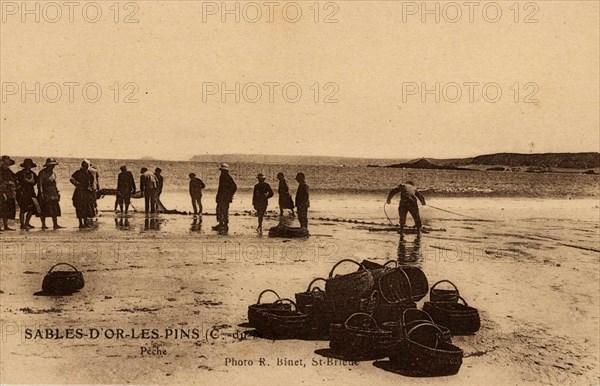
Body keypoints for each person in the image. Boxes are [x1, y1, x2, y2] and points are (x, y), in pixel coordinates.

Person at [38, 158, 63, 229]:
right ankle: (43, 224)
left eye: (53, 165)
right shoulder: (42, 173)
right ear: (47, 165)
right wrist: (41, 193)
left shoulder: (53, 173)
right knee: (44, 208)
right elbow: (40, 184)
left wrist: (58, 192)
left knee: (54, 208)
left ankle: (55, 224)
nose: (52, 167)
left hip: (53, 192)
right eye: (51, 165)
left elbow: (55, 184)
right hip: (45, 192)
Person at [70, 160, 96, 228]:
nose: (86, 167)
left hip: (87, 192)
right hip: (79, 192)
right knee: (79, 207)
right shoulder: (78, 172)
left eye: (87, 166)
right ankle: (80, 223)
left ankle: (85, 223)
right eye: (85, 166)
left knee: (87, 207)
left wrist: (91, 189)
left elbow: (92, 182)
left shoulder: (89, 173)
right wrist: (77, 184)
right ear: (82, 166)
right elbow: (71, 179)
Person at [15, 159, 40, 229]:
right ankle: (22, 224)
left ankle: (27, 223)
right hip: (22, 193)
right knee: (23, 209)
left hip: (31, 192)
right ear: (24, 166)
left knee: (32, 208)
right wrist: (18, 187)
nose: (28, 167)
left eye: (29, 166)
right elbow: (14, 181)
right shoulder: (19, 174)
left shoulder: (33, 174)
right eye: (27, 165)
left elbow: (37, 181)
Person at [212, 163, 237, 233]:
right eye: (222, 170)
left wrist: (229, 195)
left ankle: (223, 224)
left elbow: (234, 187)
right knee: (221, 210)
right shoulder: (224, 176)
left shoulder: (226, 177)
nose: (222, 172)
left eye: (223, 170)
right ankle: (222, 224)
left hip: (224, 197)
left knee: (222, 210)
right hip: (223, 197)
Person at [0, 155, 17, 231]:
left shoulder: (8, 171)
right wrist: (8, 182)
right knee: (2, 208)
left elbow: (14, 177)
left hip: (9, 191)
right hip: (2, 191)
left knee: (7, 209)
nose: (7, 165)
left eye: (8, 164)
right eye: (5, 163)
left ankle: (6, 225)